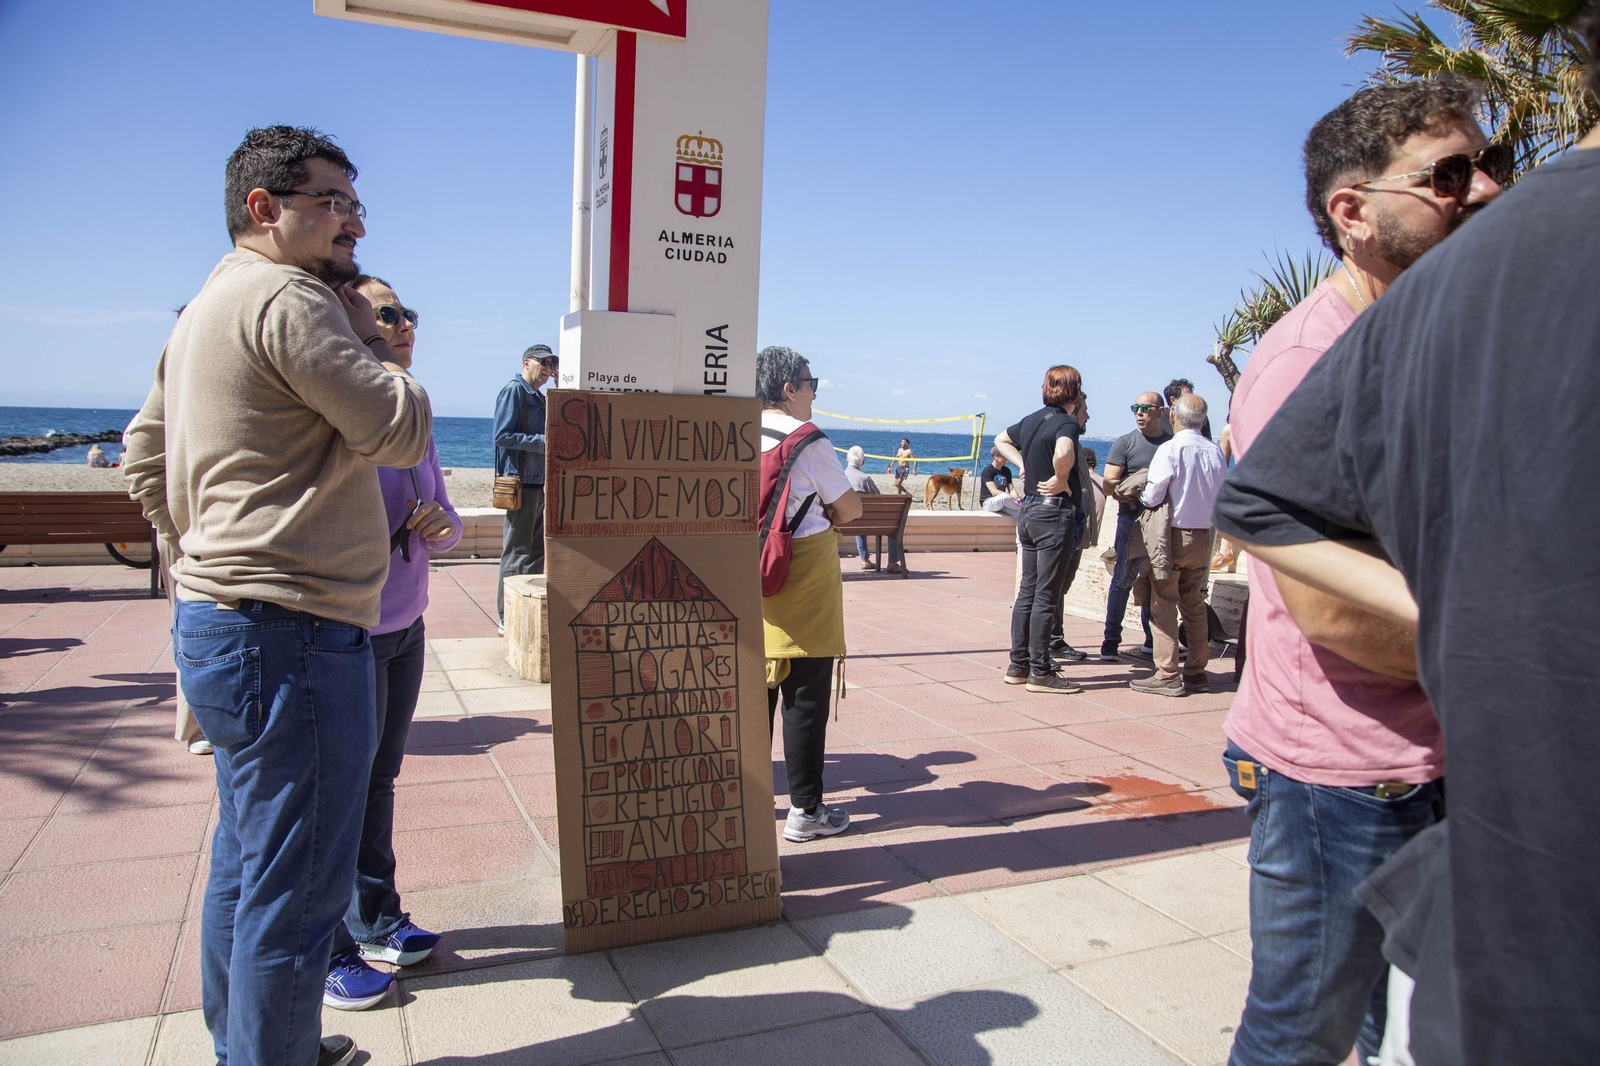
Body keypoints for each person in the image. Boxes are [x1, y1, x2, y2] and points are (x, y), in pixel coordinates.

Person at [1213, 54, 1596, 1057]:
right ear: (1351, 211)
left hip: (1436, 750)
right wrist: (1494, 635)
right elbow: (1325, 605)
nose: (1487, 190)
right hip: (1343, 777)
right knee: (1305, 1026)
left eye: (1491, 162)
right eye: (1448, 176)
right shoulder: (1306, 356)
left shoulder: (1438, 323)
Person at [122, 126, 431, 1066]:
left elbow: (143, 456)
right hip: (294, 627)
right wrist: (379, 341)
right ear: (266, 208)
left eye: (353, 203)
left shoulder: (209, 301)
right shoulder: (294, 299)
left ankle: (253, 1048)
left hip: (224, 620)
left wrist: (198, 555)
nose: (352, 222)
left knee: (250, 861)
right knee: (296, 882)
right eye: (333, 201)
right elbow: (397, 427)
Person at [321, 275, 461, 1009]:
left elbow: (441, 508)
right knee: (337, 794)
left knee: (378, 781)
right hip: (350, 626)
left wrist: (443, 526)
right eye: (385, 315)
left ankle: (375, 918)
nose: (402, 325)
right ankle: (333, 949)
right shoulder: (341, 409)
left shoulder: (412, 411)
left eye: (408, 314)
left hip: (405, 623)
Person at [757, 346, 862, 842]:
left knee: (754, 692)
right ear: (789, 389)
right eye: (810, 380)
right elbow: (851, 509)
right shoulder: (808, 441)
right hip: (802, 573)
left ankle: (748, 803)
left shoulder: (735, 433)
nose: (815, 390)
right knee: (804, 694)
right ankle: (806, 811)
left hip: (749, 572)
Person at [996, 365, 1084, 694]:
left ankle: (1018, 665)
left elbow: (1001, 439)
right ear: (1074, 392)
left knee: (1027, 593)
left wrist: (1022, 465)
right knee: (1046, 596)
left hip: (1029, 512)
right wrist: (1061, 479)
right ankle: (1041, 671)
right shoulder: (1066, 423)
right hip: (1053, 514)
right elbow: (1064, 451)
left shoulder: (1031, 420)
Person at [1098, 390, 1170, 660]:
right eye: (1135, 407)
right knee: (1122, 580)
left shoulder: (1170, 444)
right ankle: (1110, 642)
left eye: (1145, 408)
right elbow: (1108, 484)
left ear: (1160, 412)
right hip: (1131, 520)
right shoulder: (1125, 443)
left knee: (1156, 581)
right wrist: (1143, 482)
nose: (1139, 412)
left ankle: (1151, 640)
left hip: (1164, 521)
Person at [493, 344, 555, 633]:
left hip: (537, 483)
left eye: (551, 364)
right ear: (526, 362)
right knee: (517, 553)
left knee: (534, 552)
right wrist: (542, 442)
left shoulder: (541, 397)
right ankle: (507, 617)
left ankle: (524, 611)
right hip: (520, 483)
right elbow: (502, 435)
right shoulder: (514, 391)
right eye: (543, 363)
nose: (547, 369)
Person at [1046, 391, 1104, 661]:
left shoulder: (1076, 445)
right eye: (1084, 411)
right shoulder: (1062, 442)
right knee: (1053, 589)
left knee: (1061, 588)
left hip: (1076, 529)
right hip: (1063, 526)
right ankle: (1047, 643)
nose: (1088, 417)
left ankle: (1054, 639)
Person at [844, 445, 903, 573]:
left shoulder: (839, 478)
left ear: (847, 461)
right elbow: (880, 500)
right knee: (893, 526)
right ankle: (892, 562)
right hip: (868, 521)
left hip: (843, 522)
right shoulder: (865, 479)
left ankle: (865, 560)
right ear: (862, 462)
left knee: (857, 518)